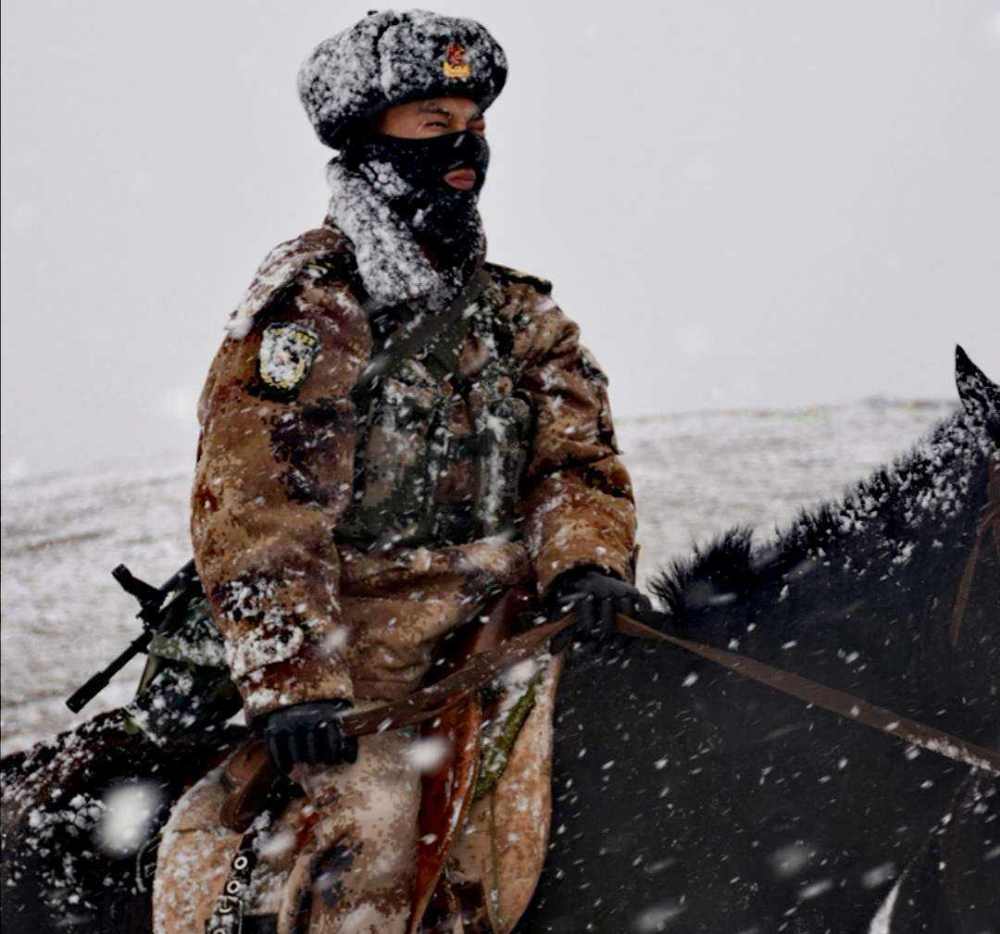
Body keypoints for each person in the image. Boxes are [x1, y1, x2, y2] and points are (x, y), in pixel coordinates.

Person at [152, 10, 646, 933]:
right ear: (366, 139)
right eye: (433, 123)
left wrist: (585, 562)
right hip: (366, 665)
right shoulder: (313, 303)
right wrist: (297, 678)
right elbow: (262, 507)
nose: (465, 144)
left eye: (477, 123)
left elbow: (576, 460)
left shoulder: (521, 313)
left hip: (511, 637)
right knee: (369, 858)